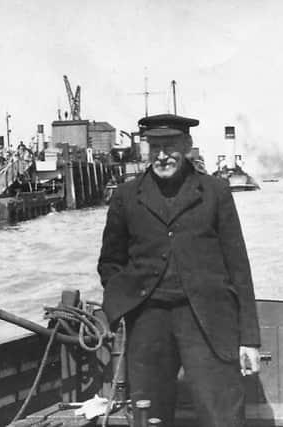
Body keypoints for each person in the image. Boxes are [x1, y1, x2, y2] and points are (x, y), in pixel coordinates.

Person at [98, 114, 261, 427]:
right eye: (155, 146)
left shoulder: (215, 192)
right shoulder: (126, 196)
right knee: (150, 416)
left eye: (170, 146)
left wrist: (249, 338)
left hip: (207, 320)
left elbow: (238, 267)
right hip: (149, 321)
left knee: (221, 414)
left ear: (187, 146)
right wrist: (125, 300)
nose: (162, 155)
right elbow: (109, 262)